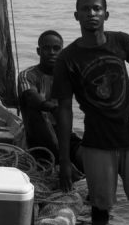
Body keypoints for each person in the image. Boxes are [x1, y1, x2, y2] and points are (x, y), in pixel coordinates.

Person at [52, 0, 129, 222]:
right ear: (76, 16)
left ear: (106, 14)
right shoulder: (68, 58)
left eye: (97, 9)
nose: (92, 13)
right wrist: (64, 161)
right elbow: (64, 109)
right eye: (86, 9)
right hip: (97, 143)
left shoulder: (121, 41)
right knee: (100, 209)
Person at [17, 30, 83, 171]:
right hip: (37, 136)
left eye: (56, 48)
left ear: (62, 51)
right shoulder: (27, 75)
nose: (52, 52)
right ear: (38, 51)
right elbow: (30, 96)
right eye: (46, 48)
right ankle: (59, 164)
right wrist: (52, 108)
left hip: (63, 134)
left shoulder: (69, 76)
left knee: (87, 157)